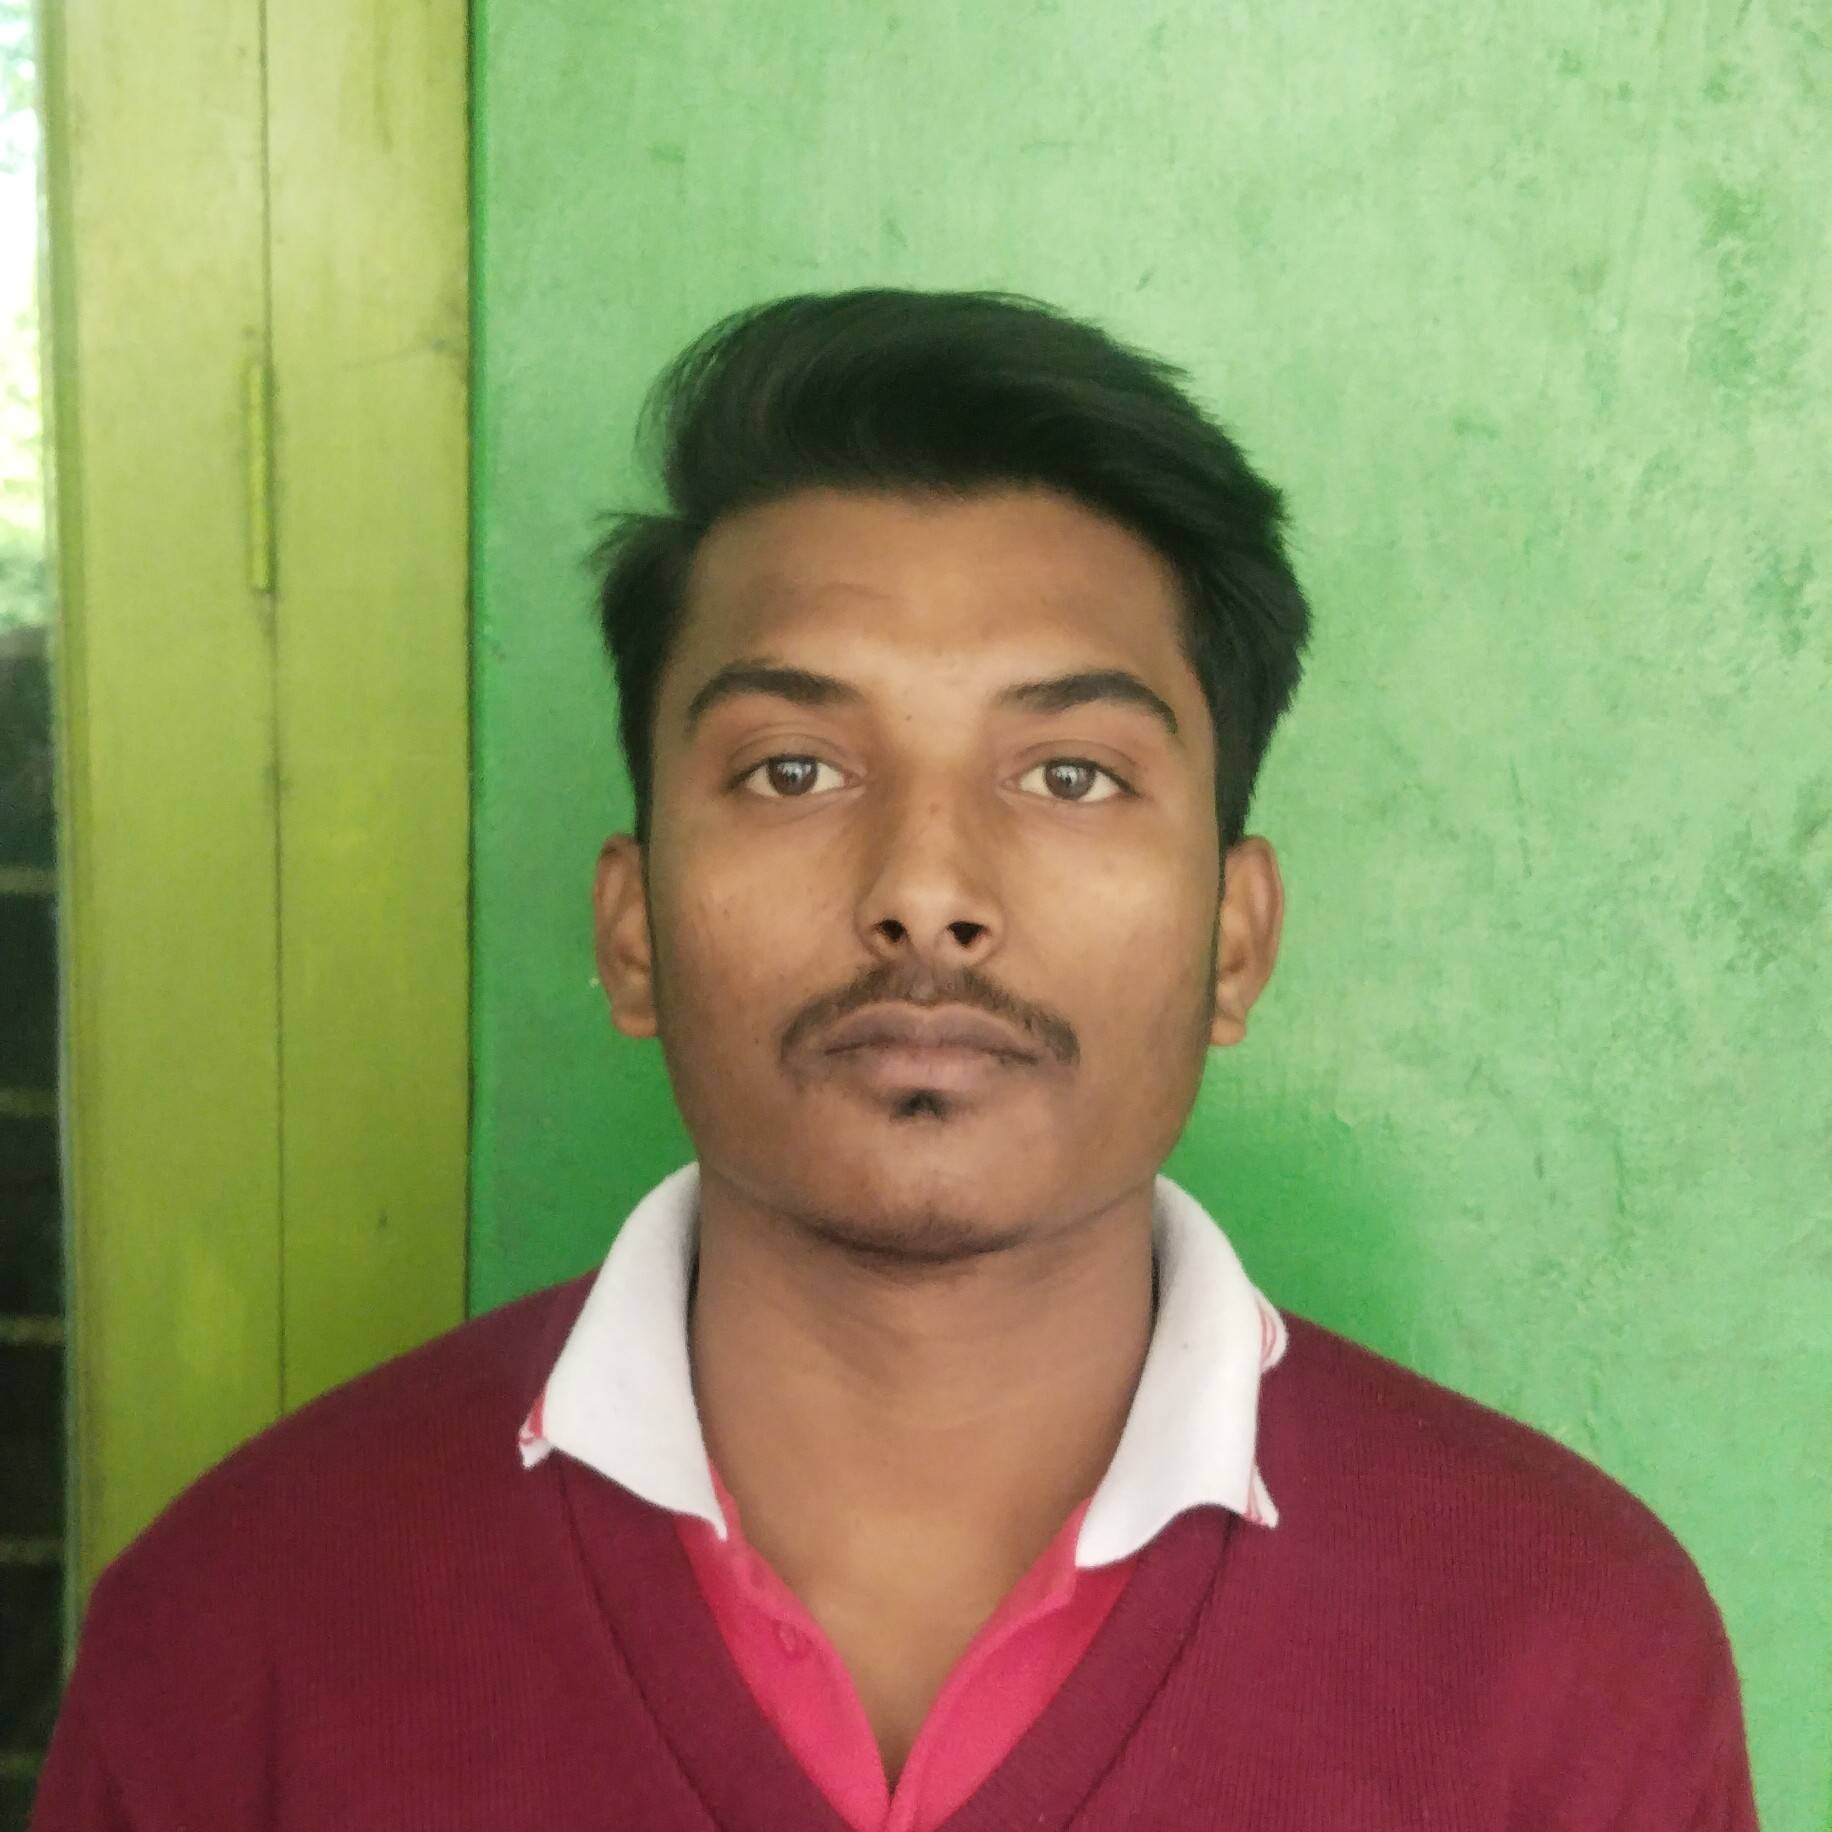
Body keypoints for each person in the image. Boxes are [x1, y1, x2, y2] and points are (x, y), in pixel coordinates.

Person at [34, 290, 1758, 1829]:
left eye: (1071, 776)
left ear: (1235, 938)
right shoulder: (245, 1628)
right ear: (632, 927)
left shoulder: (1566, 1652)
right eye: (792, 770)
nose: (928, 893)